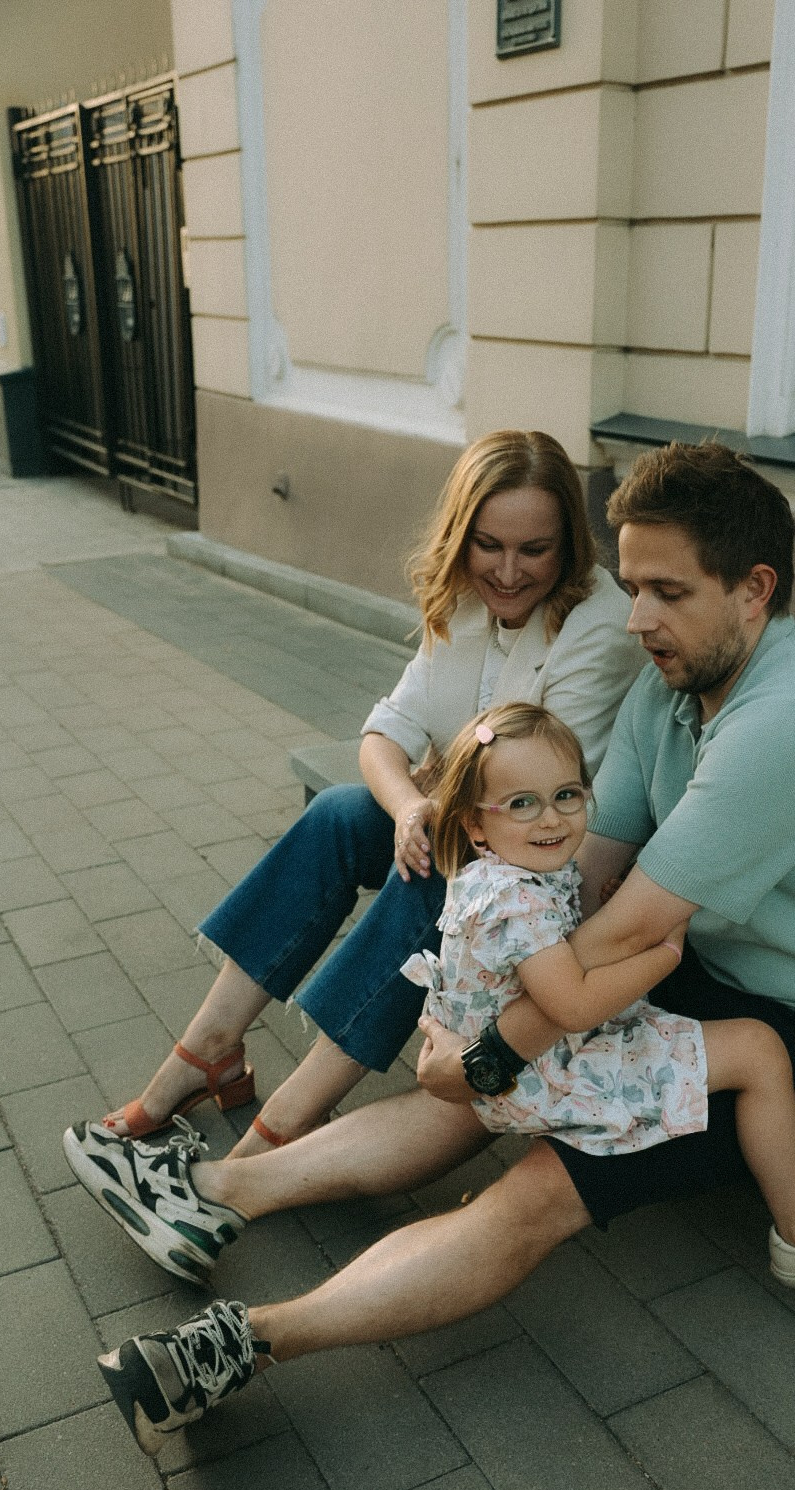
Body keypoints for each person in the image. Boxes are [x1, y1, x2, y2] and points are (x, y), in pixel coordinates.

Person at [64, 440, 795, 1457]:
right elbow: (589, 875)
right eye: (633, 586)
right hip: (714, 965)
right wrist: (475, 1016)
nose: (637, 619)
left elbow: (633, 926)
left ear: (755, 590)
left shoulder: (787, 723)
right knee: (489, 1085)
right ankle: (212, 1192)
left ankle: (238, 1346)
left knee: (541, 1182)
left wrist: (489, 1049)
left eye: (667, 592)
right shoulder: (670, 689)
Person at [96, 429, 643, 1153]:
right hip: (476, 826)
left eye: (534, 550)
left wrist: (435, 794)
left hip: (549, 867)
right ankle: (209, 1049)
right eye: (488, 545)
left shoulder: (598, 627)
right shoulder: (464, 598)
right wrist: (411, 804)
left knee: (438, 873)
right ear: (462, 536)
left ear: (568, 545)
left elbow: (527, 786)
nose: (508, 572)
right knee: (340, 814)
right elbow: (385, 734)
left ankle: (285, 1124)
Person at [402, 700, 795, 1276]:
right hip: (542, 1071)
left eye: (567, 795)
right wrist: (665, 954)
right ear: (474, 824)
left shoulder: (507, 875)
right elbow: (574, 1006)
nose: (550, 820)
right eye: (522, 803)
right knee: (759, 1050)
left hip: (521, 1060)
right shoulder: (515, 900)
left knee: (743, 1043)